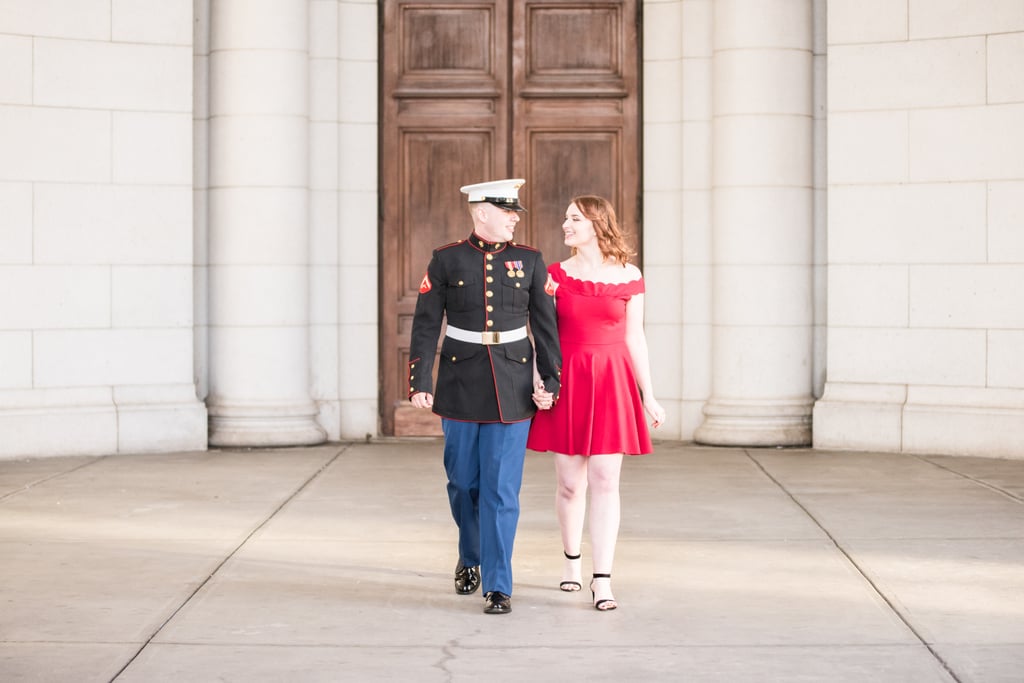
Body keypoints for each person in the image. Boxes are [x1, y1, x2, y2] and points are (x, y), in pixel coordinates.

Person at [408, 178, 562, 615]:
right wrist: (420, 380)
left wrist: (550, 380)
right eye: (506, 210)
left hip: (512, 386)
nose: (515, 217)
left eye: (515, 211)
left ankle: (498, 584)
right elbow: (425, 323)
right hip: (459, 382)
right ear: (481, 212)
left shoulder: (529, 261)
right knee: (462, 483)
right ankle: (469, 553)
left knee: (501, 491)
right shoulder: (446, 259)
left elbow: (545, 326)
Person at [527, 194, 665, 611]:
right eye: (566, 217)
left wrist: (648, 395)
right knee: (571, 484)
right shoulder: (554, 275)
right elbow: (541, 337)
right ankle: (572, 562)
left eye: (574, 218)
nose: (565, 225)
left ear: (595, 224)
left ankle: (602, 579)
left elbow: (634, 338)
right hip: (568, 380)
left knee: (606, 480)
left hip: (612, 381)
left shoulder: (629, 275)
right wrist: (540, 380)